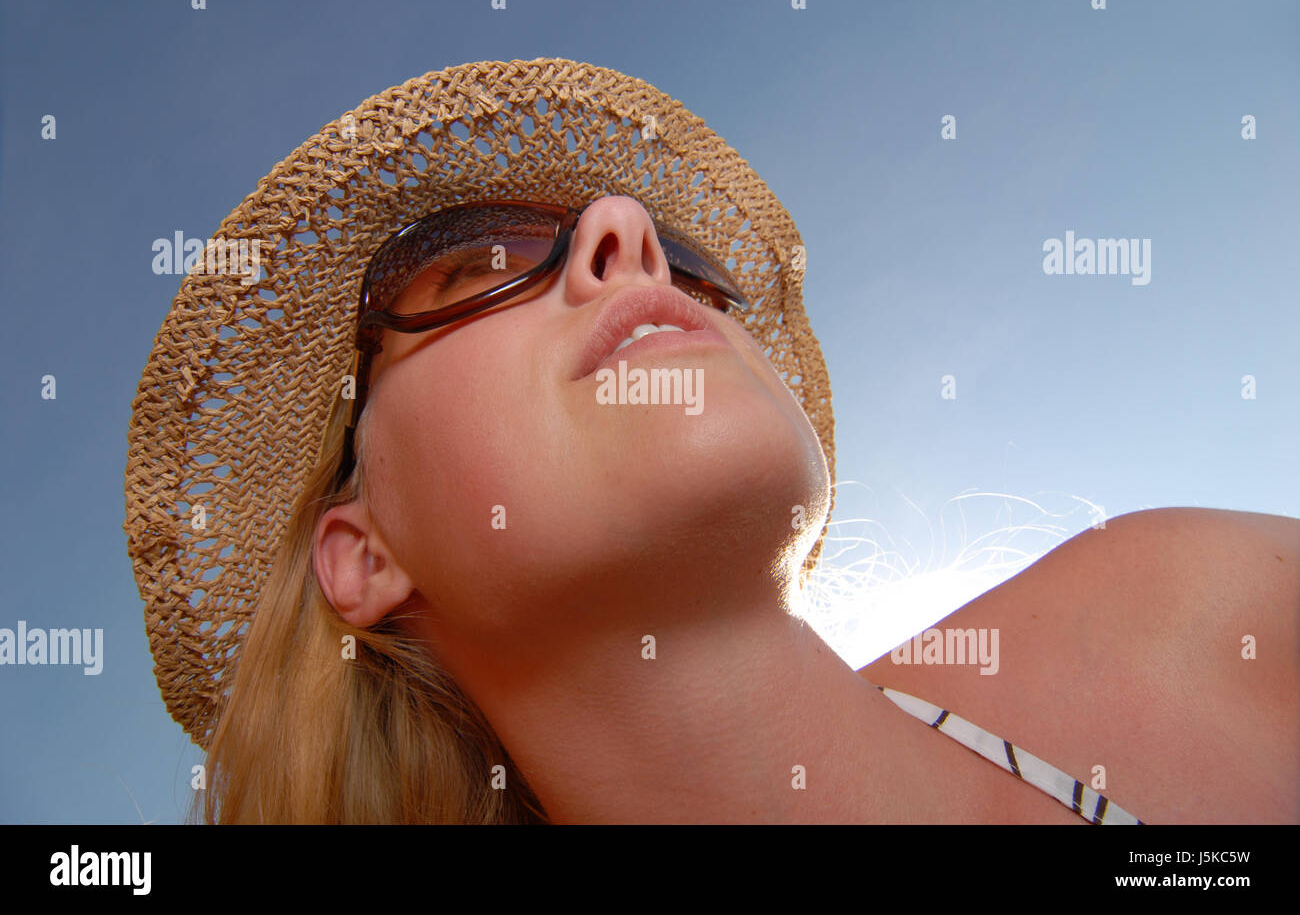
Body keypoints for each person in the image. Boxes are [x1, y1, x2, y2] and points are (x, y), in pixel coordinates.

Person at [124, 58, 1299, 824]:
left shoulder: (1195, 615)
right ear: (361, 552)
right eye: (474, 261)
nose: (627, 234)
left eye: (688, 266)